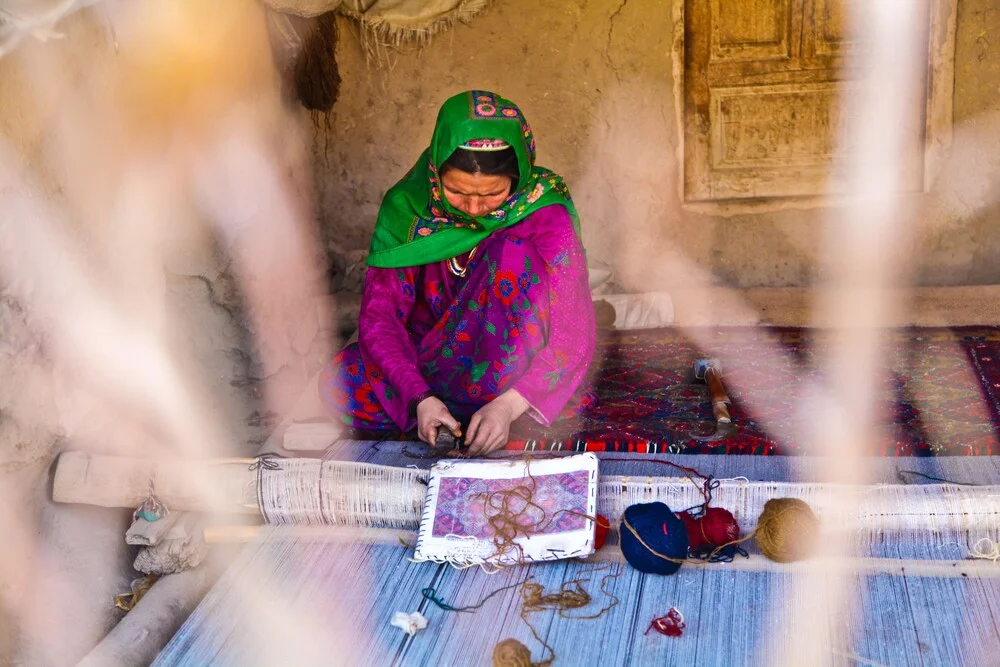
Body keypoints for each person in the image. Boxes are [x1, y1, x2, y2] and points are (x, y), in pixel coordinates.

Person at [319, 90, 596, 455]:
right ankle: (447, 414)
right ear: (435, 172)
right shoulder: (407, 209)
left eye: (493, 194)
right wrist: (420, 398)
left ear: (519, 176)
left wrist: (508, 405)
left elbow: (573, 328)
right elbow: (380, 319)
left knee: (511, 253)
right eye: (456, 192)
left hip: (513, 375)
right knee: (338, 384)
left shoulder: (545, 212)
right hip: (432, 366)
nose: (474, 208)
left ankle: (500, 413)